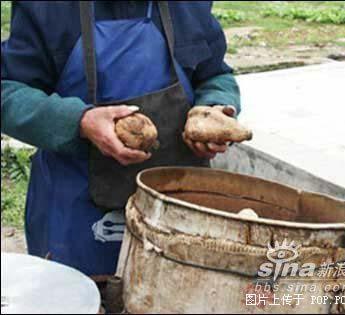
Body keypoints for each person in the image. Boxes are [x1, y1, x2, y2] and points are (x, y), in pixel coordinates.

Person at [1, 1, 240, 280]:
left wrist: (214, 108)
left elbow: (216, 75)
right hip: (75, 210)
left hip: (177, 210)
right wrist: (78, 120)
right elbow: (8, 91)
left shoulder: (186, 5)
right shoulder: (46, 8)